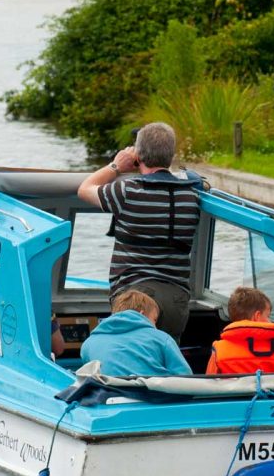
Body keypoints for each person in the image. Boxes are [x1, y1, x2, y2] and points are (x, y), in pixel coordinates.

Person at [77, 122, 201, 343]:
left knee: (130, 364)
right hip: (176, 299)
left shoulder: (128, 191)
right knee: (165, 364)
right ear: (171, 155)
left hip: (134, 298)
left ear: (138, 155)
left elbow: (84, 189)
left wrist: (116, 166)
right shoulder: (190, 196)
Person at [80, 290, 191, 377]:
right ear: (141, 314)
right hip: (154, 398)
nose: (155, 326)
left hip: (110, 397)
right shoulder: (162, 338)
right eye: (155, 320)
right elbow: (185, 376)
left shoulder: (88, 344)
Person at [206, 287, 274, 374]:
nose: (270, 321)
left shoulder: (219, 350)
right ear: (257, 316)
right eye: (268, 316)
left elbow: (210, 383)